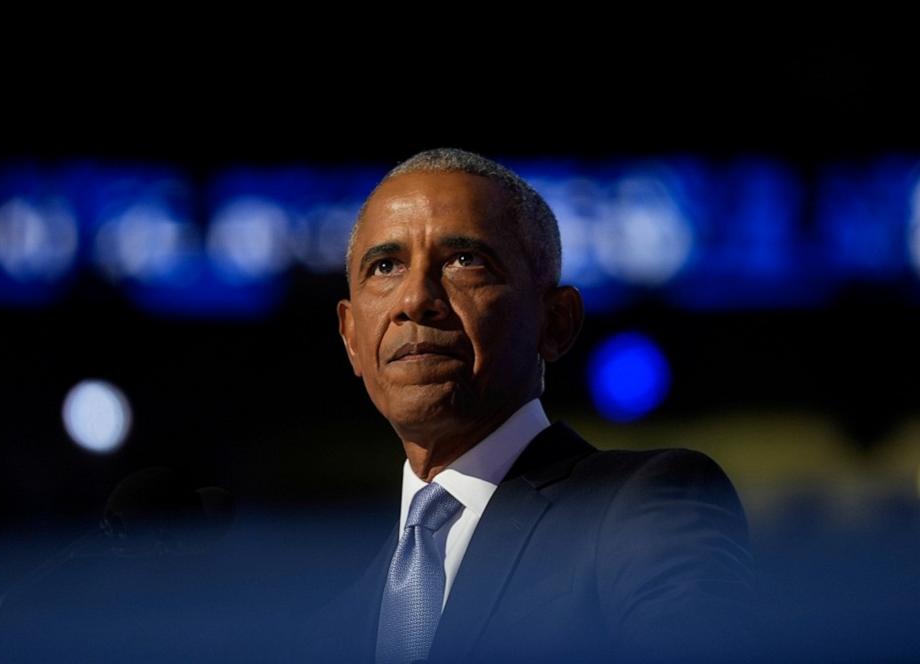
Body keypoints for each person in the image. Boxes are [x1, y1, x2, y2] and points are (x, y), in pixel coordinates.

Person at [298, 147, 758, 663]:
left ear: (556, 322)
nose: (414, 299)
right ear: (351, 337)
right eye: (385, 266)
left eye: (463, 261)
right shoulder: (327, 632)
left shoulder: (645, 508)